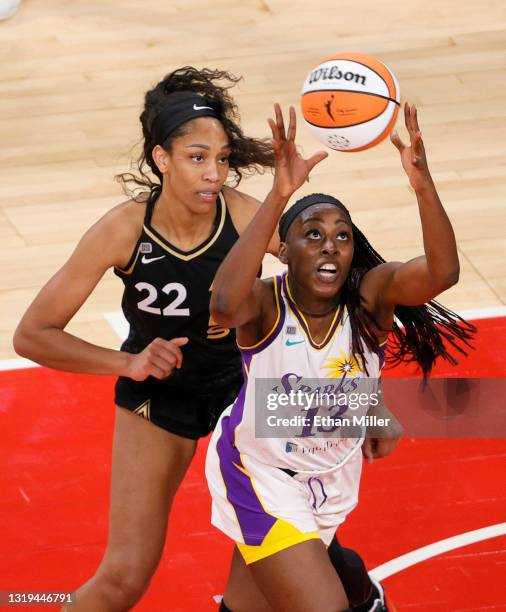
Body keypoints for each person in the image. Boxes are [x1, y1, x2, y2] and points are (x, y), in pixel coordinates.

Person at [13, 66, 281, 612]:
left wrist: (365, 408)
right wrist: (127, 361)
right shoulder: (124, 229)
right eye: (197, 157)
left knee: (278, 561)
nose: (214, 173)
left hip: (244, 391)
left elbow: (340, 280)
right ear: (162, 159)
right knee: (124, 578)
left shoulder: (246, 215)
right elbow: (32, 334)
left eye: (223, 158)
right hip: (162, 399)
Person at [206, 103, 475, 612]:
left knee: (249, 604)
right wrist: (280, 192)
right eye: (312, 234)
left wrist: (422, 185)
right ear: (283, 251)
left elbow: (443, 273)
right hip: (258, 471)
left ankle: (356, 587)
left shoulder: (371, 299)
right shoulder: (265, 303)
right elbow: (222, 304)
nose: (329, 246)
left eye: (341, 237)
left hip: (328, 477)